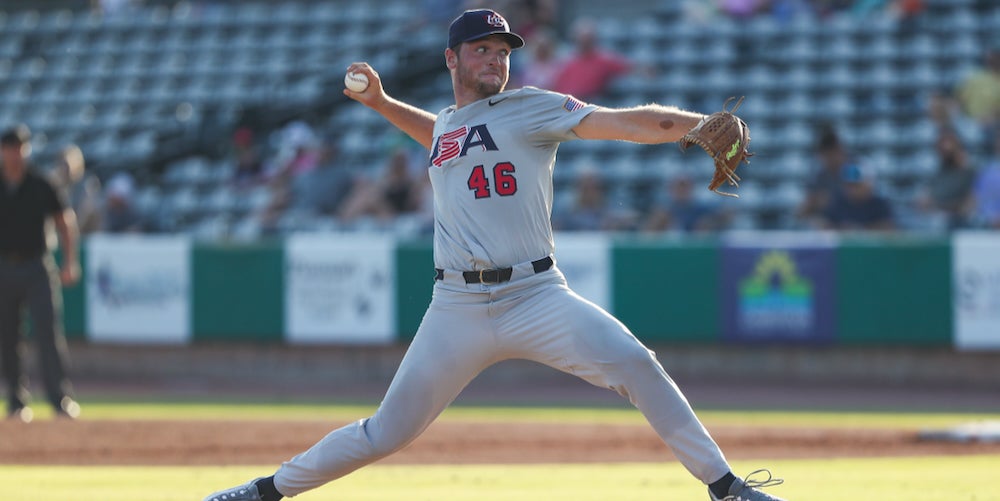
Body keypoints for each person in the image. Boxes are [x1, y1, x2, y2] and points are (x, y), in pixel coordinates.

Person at [203, 9, 785, 501]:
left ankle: (726, 487)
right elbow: (438, 135)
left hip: (535, 294)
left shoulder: (530, 107)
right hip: (456, 304)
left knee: (636, 364)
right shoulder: (452, 125)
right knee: (387, 432)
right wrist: (381, 102)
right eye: (481, 50)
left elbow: (623, 123)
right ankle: (265, 491)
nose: (495, 60)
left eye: (502, 51)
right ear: (452, 59)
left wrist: (695, 125)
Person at [0, 125, 82, 423]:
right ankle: (16, 402)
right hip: (4, 267)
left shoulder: (41, 183)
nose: (14, 154)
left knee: (48, 331)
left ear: (27, 149)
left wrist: (70, 261)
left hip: (37, 265)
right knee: (8, 337)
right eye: (9, 148)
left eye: (20, 147)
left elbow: (64, 221)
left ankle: (60, 399)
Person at [549, 17, 631, 103]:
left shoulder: (604, 59)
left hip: (590, 104)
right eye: (581, 37)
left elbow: (629, 68)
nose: (585, 41)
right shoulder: (565, 60)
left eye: (588, 38)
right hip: (565, 103)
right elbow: (555, 85)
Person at [914, 127, 976, 230]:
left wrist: (938, 206)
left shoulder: (970, 172)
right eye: (941, 145)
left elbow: (968, 206)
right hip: (935, 223)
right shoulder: (937, 171)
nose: (945, 148)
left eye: (949, 144)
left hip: (961, 225)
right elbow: (924, 202)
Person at [821, 163, 895, 231]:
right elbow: (824, 224)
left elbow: (889, 227)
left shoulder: (879, 204)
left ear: (868, 184)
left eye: (856, 185)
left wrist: (860, 229)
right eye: (848, 185)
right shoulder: (838, 203)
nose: (852, 189)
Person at [48, 144, 103, 236]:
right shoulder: (55, 184)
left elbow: (82, 216)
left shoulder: (88, 185)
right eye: (62, 164)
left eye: (66, 164)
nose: (64, 168)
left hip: (86, 237)